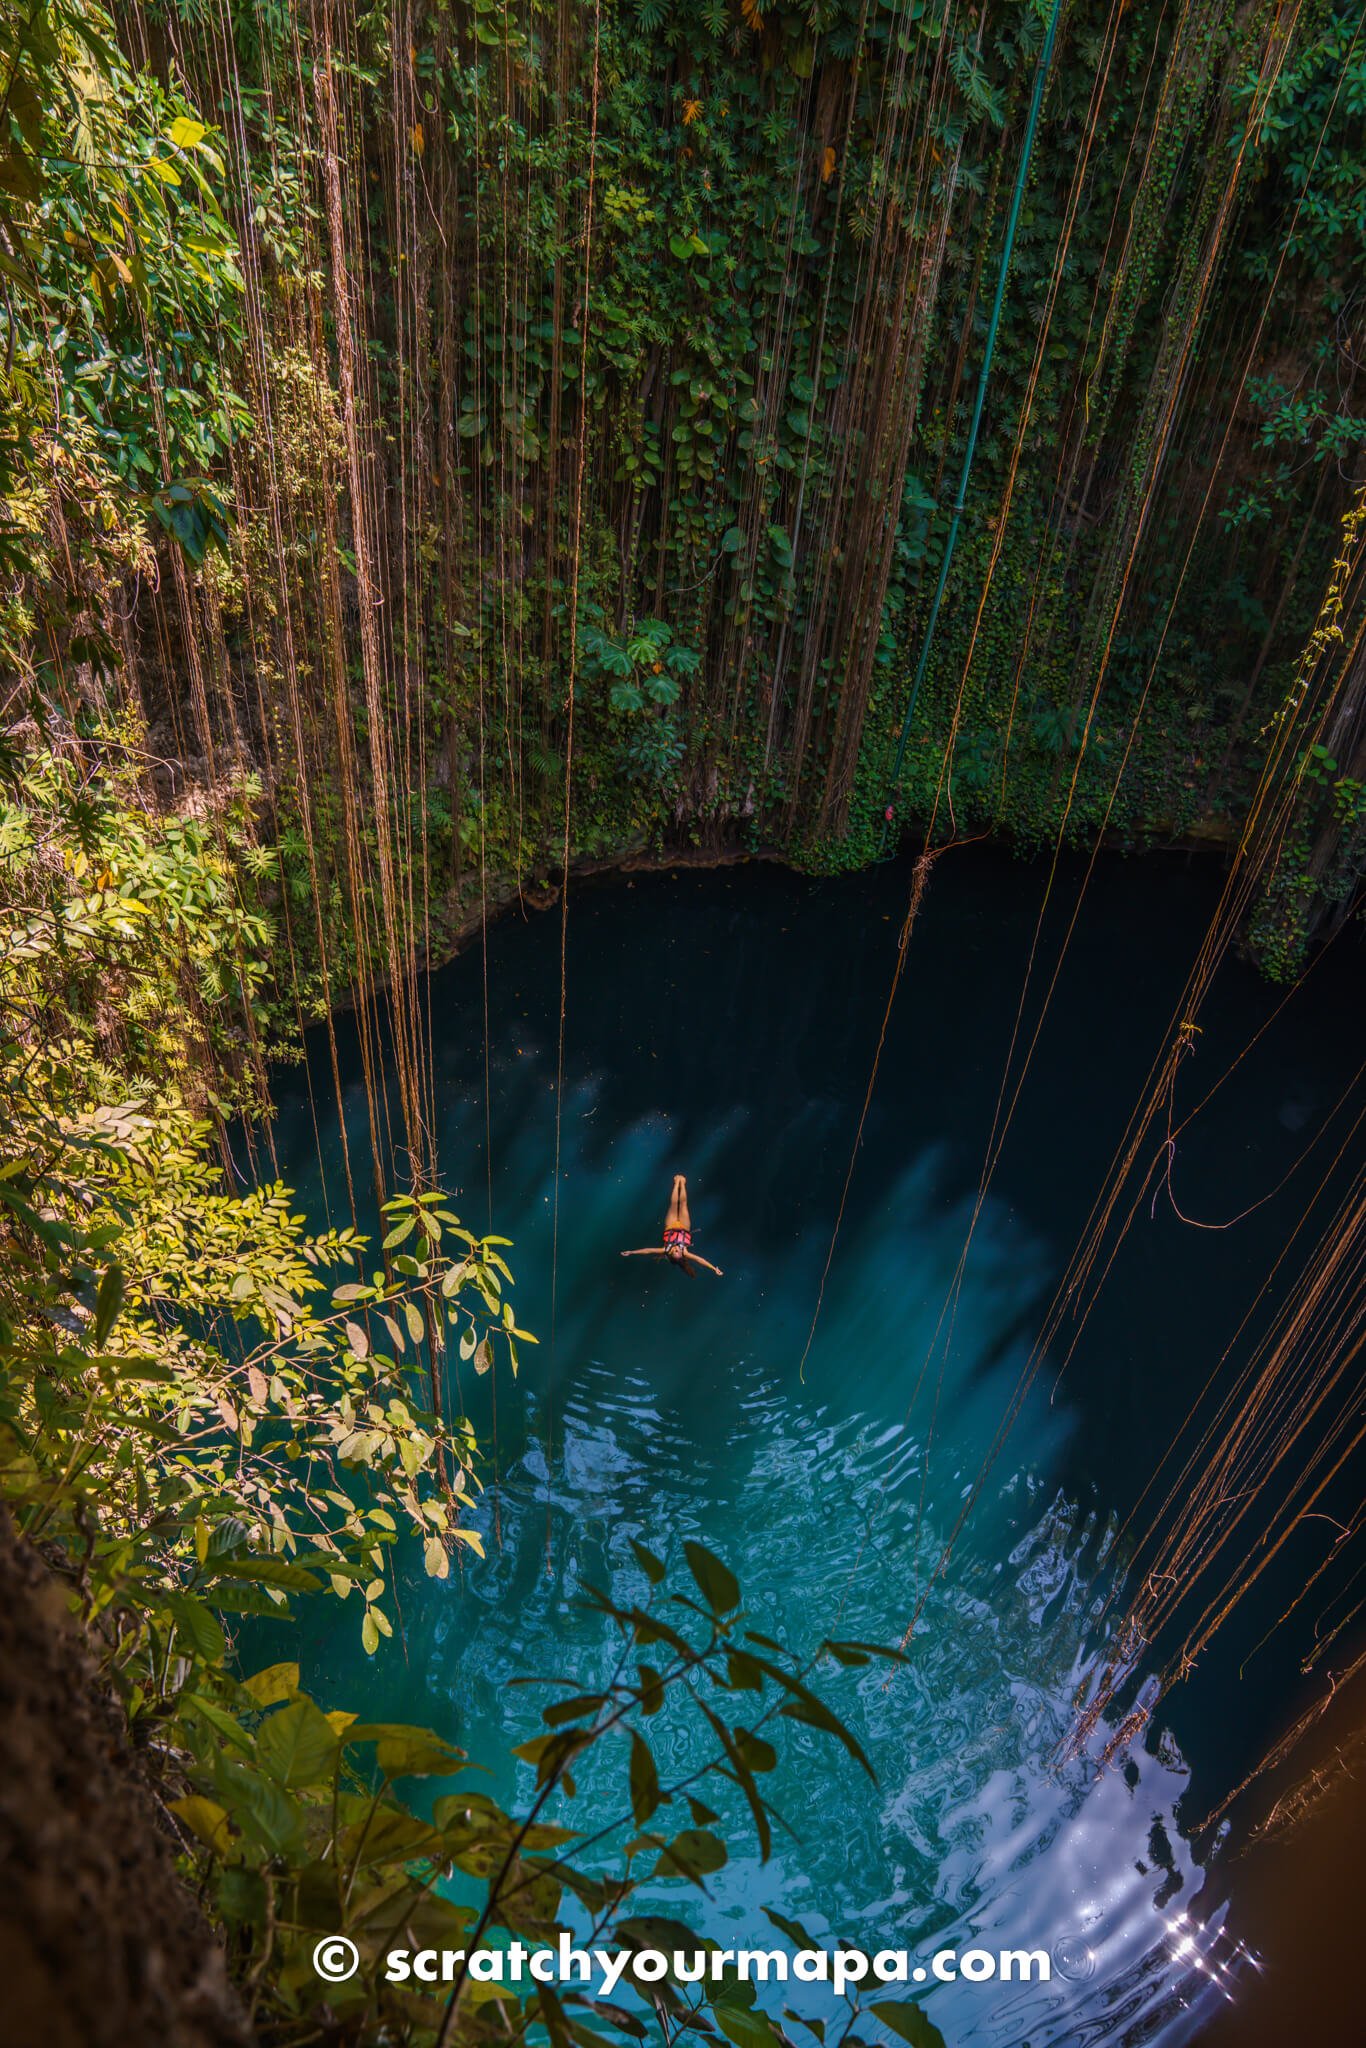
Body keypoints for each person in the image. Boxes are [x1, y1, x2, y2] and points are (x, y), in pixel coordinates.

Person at [621, 1174, 723, 1277]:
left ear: (671, 1254)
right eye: (677, 1251)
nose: (676, 1249)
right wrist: (713, 1268)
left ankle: (676, 1183)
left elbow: (648, 1251)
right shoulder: (685, 1252)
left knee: (673, 1204)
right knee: (683, 1204)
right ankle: (682, 1183)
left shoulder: (665, 1250)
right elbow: (699, 1260)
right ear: (681, 1255)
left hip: (670, 1226)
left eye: (674, 1252)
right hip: (684, 1227)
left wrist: (632, 1252)